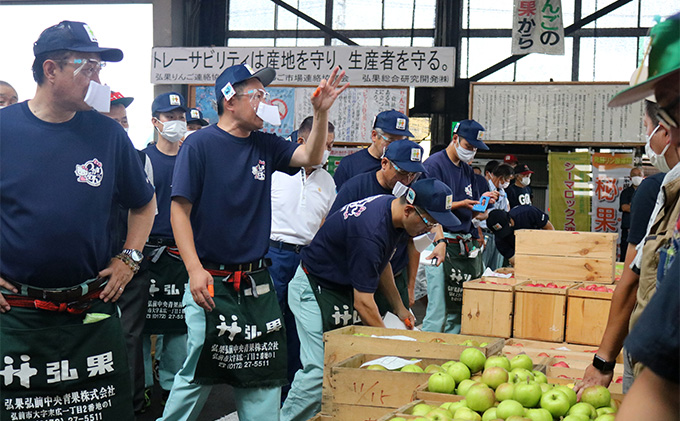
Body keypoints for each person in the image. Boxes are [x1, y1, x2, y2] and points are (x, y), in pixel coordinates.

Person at [159, 63, 347, 421]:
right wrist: (194, 269)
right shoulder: (199, 145)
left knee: (263, 372)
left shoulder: (265, 144)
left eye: (265, 95)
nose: (265, 103)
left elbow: (310, 156)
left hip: (257, 282)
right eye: (257, 95)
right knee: (199, 370)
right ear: (230, 101)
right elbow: (178, 212)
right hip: (210, 281)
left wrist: (320, 113)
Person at [0, 20, 156, 419]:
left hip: (90, 309)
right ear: (50, 70)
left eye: (99, 69)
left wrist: (130, 258)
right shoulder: (4, 131)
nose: (98, 79)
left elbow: (144, 204)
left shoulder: (108, 135)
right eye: (87, 68)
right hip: (16, 314)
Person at [281, 178, 460, 421]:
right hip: (314, 287)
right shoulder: (370, 231)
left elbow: (381, 263)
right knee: (318, 372)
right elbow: (363, 303)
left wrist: (400, 308)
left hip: (340, 287)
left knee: (346, 365)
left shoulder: (392, 212)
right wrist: (388, 343)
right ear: (409, 210)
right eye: (429, 222)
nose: (428, 229)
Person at [584, 11, 680, 395]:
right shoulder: (667, 192)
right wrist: (606, 361)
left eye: (668, 110)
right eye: (664, 112)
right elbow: (638, 276)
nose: (668, 132)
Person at [574, 99, 667, 397]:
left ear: (666, 131)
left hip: (657, 349)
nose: (648, 138)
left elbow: (632, 281)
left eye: (647, 128)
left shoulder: (657, 192)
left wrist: (603, 361)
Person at [266, 116, 337, 401]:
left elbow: (326, 225)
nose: (326, 150)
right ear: (301, 142)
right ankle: (266, 391)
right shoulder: (277, 172)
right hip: (272, 254)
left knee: (300, 326)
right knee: (270, 324)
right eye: (322, 143)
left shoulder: (328, 182)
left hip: (306, 259)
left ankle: (292, 392)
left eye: (330, 145)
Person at [135, 92, 191, 410]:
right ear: (155, 121)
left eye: (179, 116)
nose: (176, 122)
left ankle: (170, 385)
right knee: (142, 324)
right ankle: (141, 386)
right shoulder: (143, 158)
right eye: (169, 117)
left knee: (178, 326)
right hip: (145, 254)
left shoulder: (191, 157)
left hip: (181, 255)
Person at [329, 139, 426, 312]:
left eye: (413, 175)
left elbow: (413, 242)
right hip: (357, 282)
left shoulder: (413, 195)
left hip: (396, 278)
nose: (407, 180)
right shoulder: (356, 188)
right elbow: (332, 234)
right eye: (403, 173)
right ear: (384, 163)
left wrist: (410, 286)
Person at [421, 119, 497, 334]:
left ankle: (450, 355)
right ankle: (428, 354)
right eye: (468, 146)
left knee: (457, 307)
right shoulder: (433, 165)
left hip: (463, 244)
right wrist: (459, 203)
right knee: (439, 308)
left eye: (475, 149)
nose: (472, 152)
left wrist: (481, 203)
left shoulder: (466, 170)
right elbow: (427, 207)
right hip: (441, 241)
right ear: (455, 139)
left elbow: (470, 214)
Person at [333, 109, 412, 190]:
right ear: (374, 135)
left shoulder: (408, 168)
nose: (396, 147)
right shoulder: (350, 164)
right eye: (391, 141)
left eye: (401, 142)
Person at [486, 207, 554, 266]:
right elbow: (515, 260)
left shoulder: (528, 213)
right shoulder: (500, 240)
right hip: (523, 256)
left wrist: (549, 250)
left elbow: (549, 229)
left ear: (509, 219)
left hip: (542, 245)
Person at [479, 161, 513, 270]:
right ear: (501, 178)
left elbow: (505, 211)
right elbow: (477, 214)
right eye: (507, 180)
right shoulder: (484, 187)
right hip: (484, 232)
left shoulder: (503, 192)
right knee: (482, 266)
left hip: (498, 233)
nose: (507, 182)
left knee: (496, 268)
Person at [618, 167, 644, 261]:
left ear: (643, 176)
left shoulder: (646, 192)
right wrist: (639, 207)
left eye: (638, 175)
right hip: (627, 228)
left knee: (640, 255)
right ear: (630, 178)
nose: (636, 177)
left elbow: (649, 207)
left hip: (642, 228)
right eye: (634, 175)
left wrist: (632, 206)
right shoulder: (626, 192)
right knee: (625, 253)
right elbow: (624, 207)